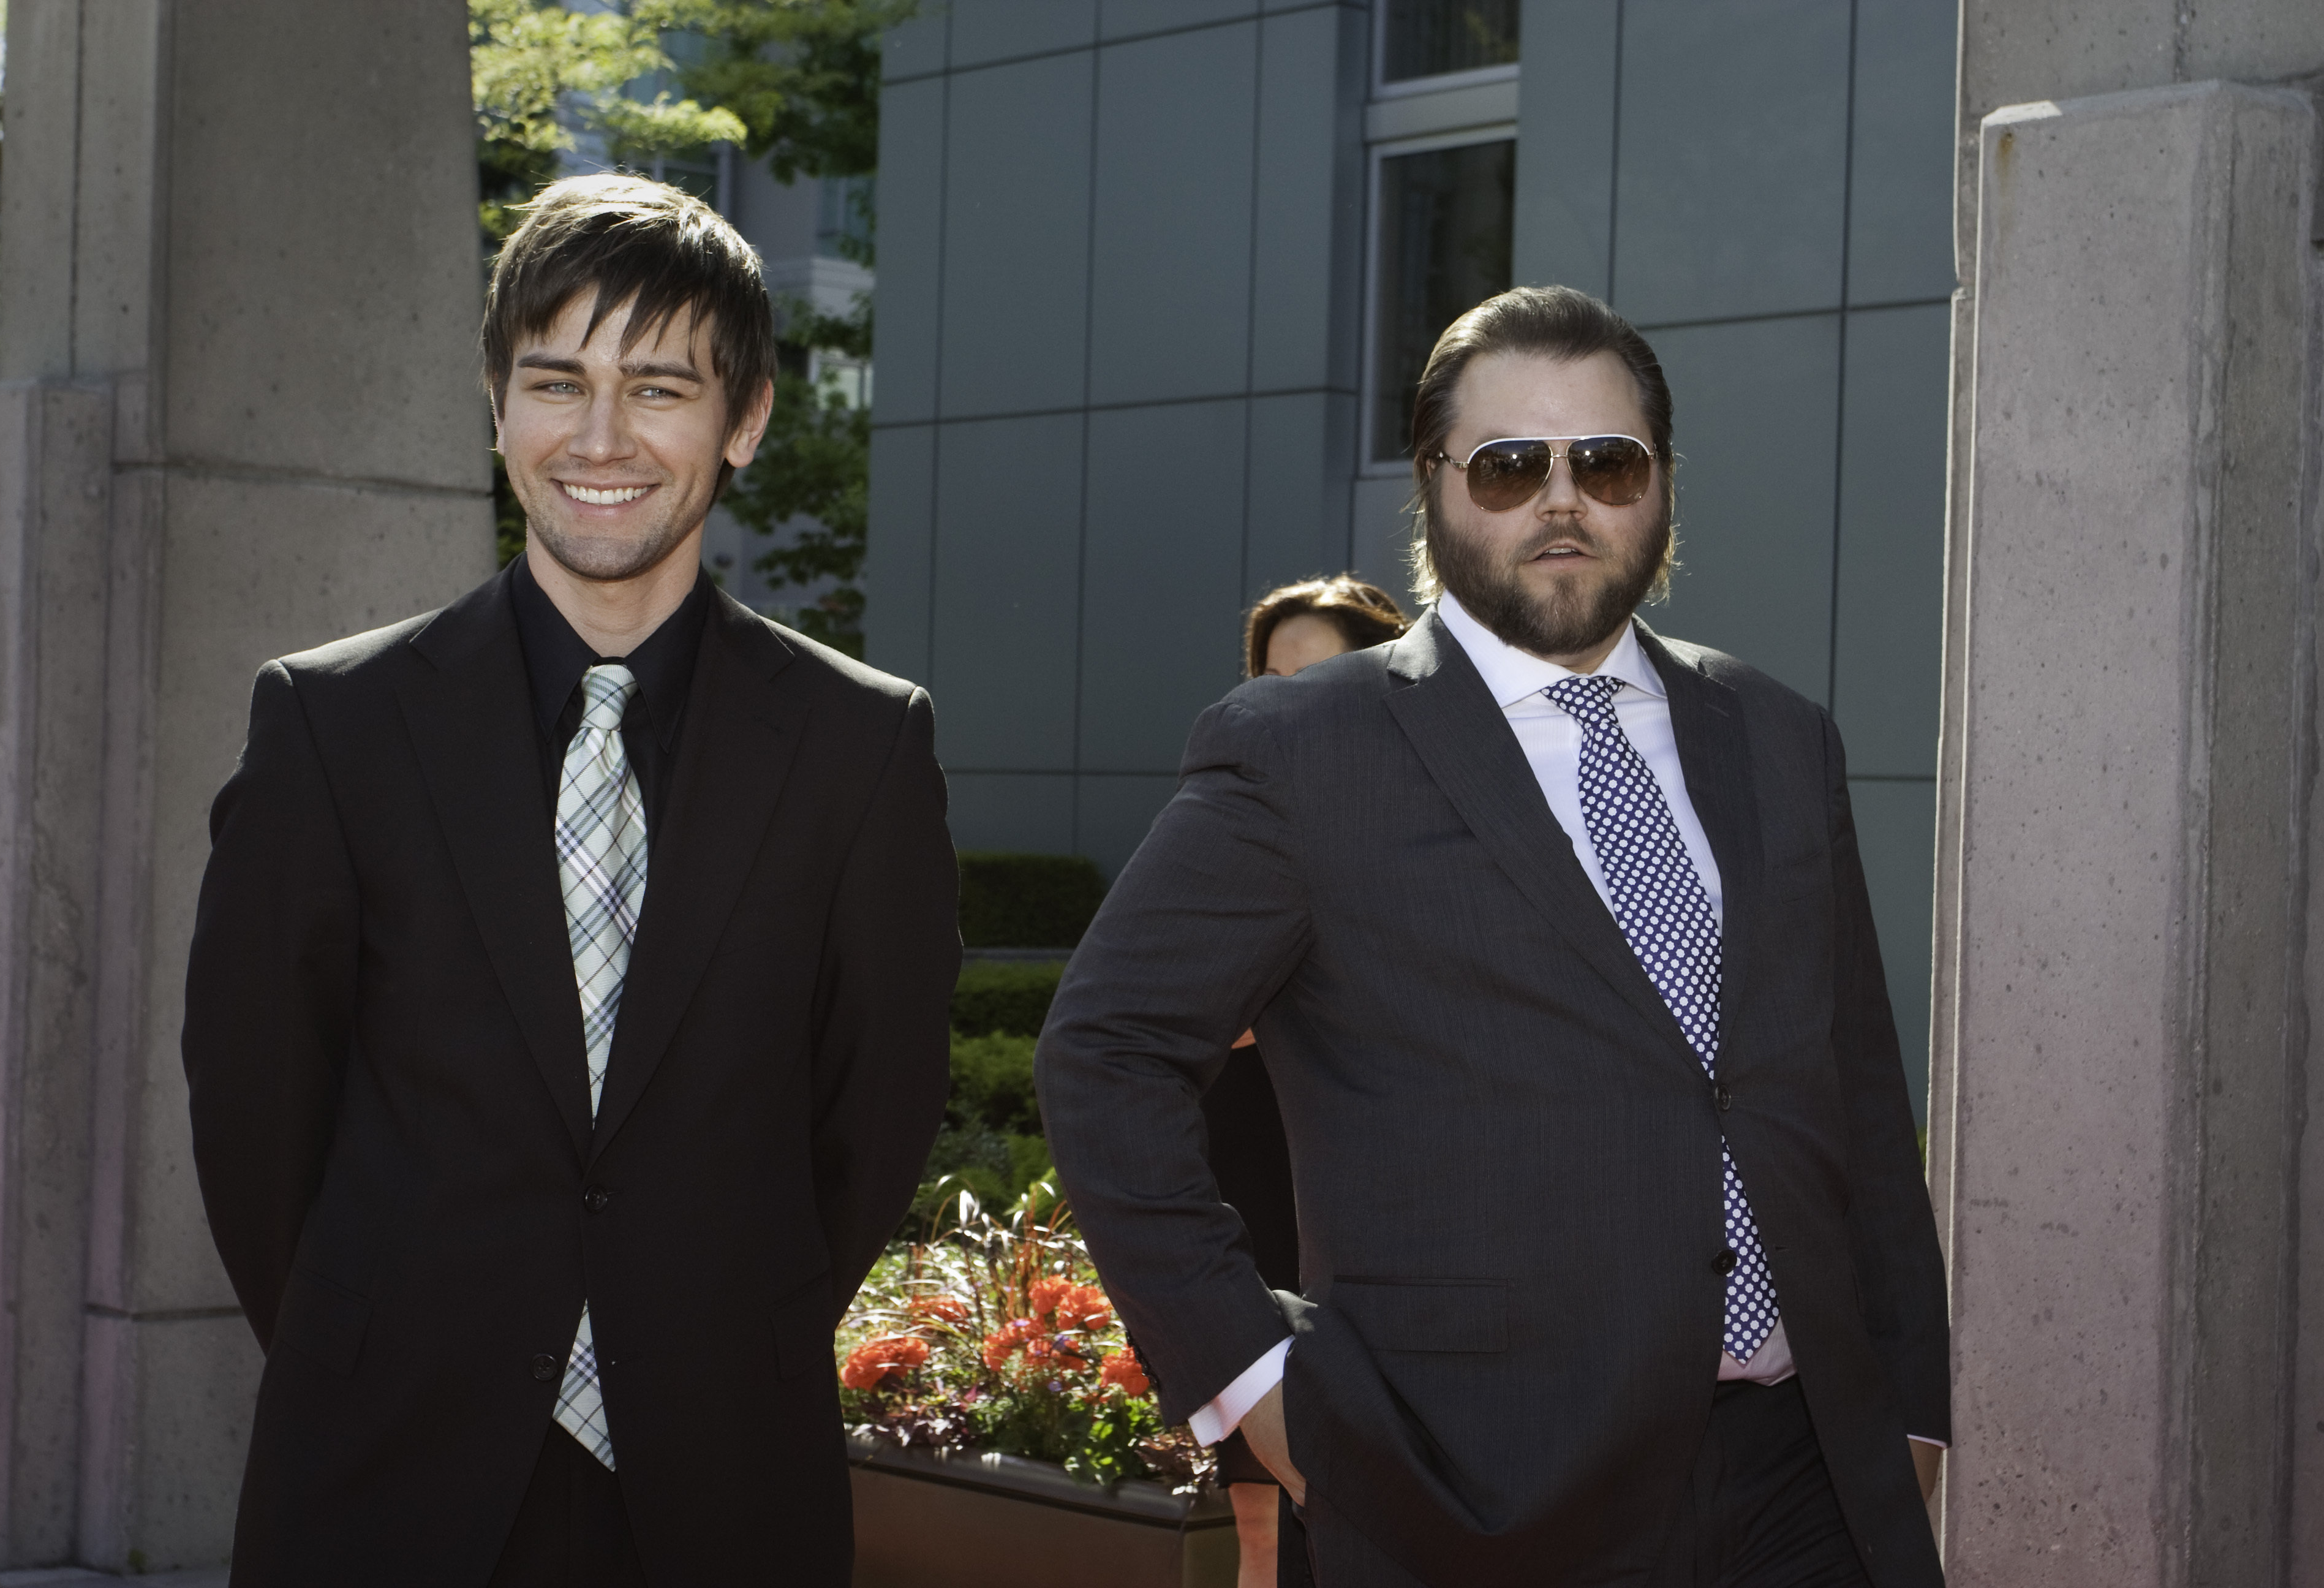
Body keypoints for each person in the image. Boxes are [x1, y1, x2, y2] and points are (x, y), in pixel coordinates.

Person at [1036, 284, 1949, 1586]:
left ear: (1663, 487)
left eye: (1608, 462)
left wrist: (1909, 1407)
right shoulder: (1305, 750)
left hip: (1810, 1487)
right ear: (1436, 484)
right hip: (1469, 1495)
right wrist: (1257, 1386)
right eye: (1512, 465)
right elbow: (1104, 1054)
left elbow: (1855, 1087)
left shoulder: (1781, 735)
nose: (1562, 500)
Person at [181, 175, 959, 1586]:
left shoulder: (863, 748)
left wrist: (707, 1324)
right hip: (377, 1475)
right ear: (496, 403)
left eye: (659, 388)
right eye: (557, 380)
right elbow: (255, 1114)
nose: (601, 439)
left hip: (725, 1480)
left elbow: (873, 1118)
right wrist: (371, 1345)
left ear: (748, 419)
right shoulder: (332, 724)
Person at [1208, 577, 1409, 1588]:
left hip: (1385, 1217)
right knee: (1261, 1515)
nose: (1295, 696)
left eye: (1320, 671)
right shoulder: (1236, 816)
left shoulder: (1438, 819)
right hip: (1248, 1191)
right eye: (1274, 677)